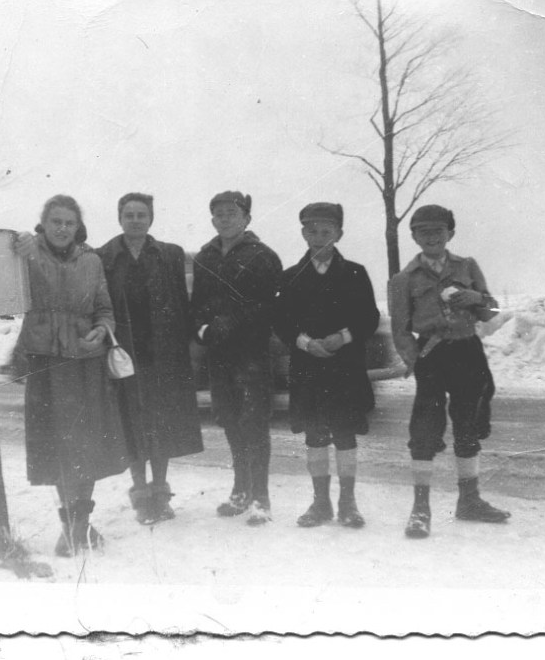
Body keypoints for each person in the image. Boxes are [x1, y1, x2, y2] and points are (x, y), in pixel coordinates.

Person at [13, 195, 129, 557]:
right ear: (43, 224)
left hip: (85, 362)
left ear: (78, 227)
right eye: (56, 222)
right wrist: (17, 249)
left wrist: (102, 329)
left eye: (69, 223)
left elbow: (104, 308)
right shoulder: (27, 253)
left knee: (86, 446)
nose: (62, 228)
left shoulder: (91, 260)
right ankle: (71, 526)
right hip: (46, 363)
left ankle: (79, 525)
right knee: (58, 447)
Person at [388, 204, 510, 539]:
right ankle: (420, 508)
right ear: (414, 237)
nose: (431, 237)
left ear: (450, 234)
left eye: (438, 231)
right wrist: (415, 361)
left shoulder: (467, 266)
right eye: (423, 232)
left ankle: (469, 501)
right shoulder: (403, 279)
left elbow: (492, 311)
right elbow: (400, 329)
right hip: (432, 354)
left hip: (468, 351)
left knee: (468, 423)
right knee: (425, 429)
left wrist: (476, 297)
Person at [97, 193, 203, 525]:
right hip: (124, 355)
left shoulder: (169, 254)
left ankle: (160, 492)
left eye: (141, 214)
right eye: (129, 214)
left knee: (162, 425)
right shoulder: (104, 256)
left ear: (151, 218)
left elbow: (183, 304)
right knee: (131, 424)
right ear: (120, 218)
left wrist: (187, 348)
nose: (135, 220)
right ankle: (141, 495)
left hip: (163, 355)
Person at [273, 203, 379, 529]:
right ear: (304, 234)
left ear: (338, 234)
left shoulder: (356, 273)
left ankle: (348, 503)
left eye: (326, 231)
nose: (319, 237)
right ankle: (320, 503)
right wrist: (305, 342)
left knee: (345, 434)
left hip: (345, 367)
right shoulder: (290, 277)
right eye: (313, 231)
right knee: (315, 434)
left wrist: (342, 337)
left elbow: (369, 317)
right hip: (308, 369)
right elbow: (281, 321)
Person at [191, 191, 282, 526]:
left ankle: (261, 497)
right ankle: (241, 489)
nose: (225, 219)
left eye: (232, 213)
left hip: (251, 353)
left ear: (246, 218)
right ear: (212, 219)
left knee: (253, 422)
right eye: (219, 214)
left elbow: (270, 305)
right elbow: (198, 302)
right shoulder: (205, 256)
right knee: (229, 419)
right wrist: (202, 329)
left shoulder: (263, 256)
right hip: (219, 353)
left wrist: (234, 322)